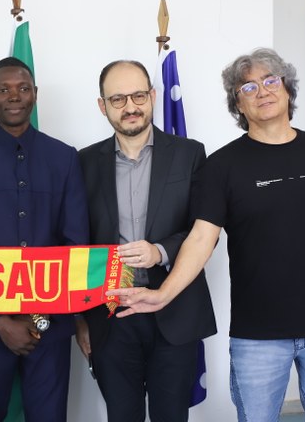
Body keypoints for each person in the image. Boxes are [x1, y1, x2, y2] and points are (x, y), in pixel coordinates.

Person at [111, 48, 305, 421]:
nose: (262, 91)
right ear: (238, 104)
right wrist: (163, 294)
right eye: (248, 87)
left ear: (287, 88)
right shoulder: (222, 165)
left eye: (270, 80)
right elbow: (201, 239)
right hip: (257, 338)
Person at [0, 56, 89, 422]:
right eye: (3, 90)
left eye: (23, 88)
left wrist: (38, 317)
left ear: (35, 94)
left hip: (50, 325)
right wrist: (0, 319)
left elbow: (75, 243)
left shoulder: (64, 158)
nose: (14, 96)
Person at [77, 60, 216, 421]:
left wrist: (160, 251)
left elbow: (205, 230)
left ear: (153, 96)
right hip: (110, 316)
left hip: (174, 311)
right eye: (118, 99)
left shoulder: (190, 154)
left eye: (138, 95)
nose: (130, 106)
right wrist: (80, 320)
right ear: (102, 106)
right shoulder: (84, 163)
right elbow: (76, 241)